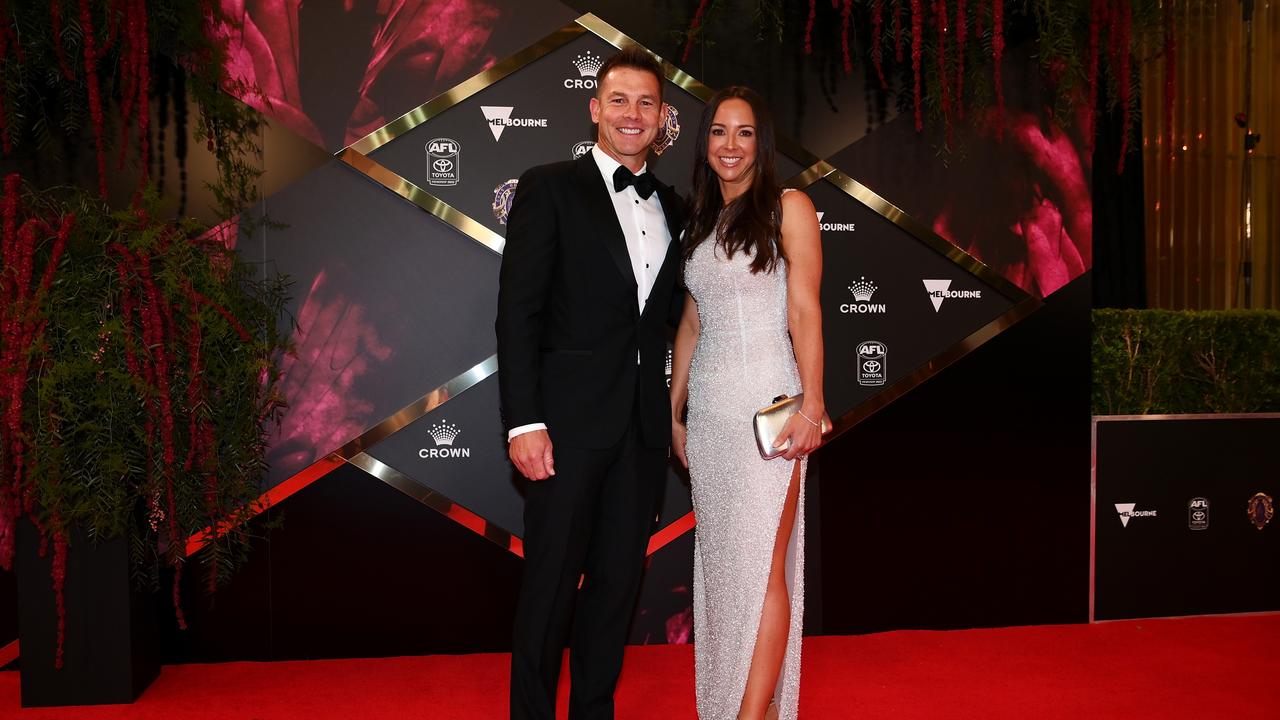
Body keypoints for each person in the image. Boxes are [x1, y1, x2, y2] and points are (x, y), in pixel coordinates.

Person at [495, 46, 685, 720]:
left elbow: (677, 320)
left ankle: (594, 712)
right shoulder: (548, 186)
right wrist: (523, 420)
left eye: (645, 103)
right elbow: (519, 311)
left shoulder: (674, 206)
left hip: (639, 433)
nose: (632, 114)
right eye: (619, 100)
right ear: (594, 108)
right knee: (549, 586)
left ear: (663, 118)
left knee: (615, 589)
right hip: (564, 428)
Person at [670, 86, 828, 720]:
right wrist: (674, 410)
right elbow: (690, 324)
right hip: (707, 417)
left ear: (762, 143)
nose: (729, 145)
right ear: (703, 143)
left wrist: (813, 403)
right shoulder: (700, 221)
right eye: (718, 132)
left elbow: (805, 311)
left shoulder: (789, 207)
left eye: (743, 133)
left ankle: (749, 715)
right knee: (723, 574)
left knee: (764, 569)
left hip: (770, 411)